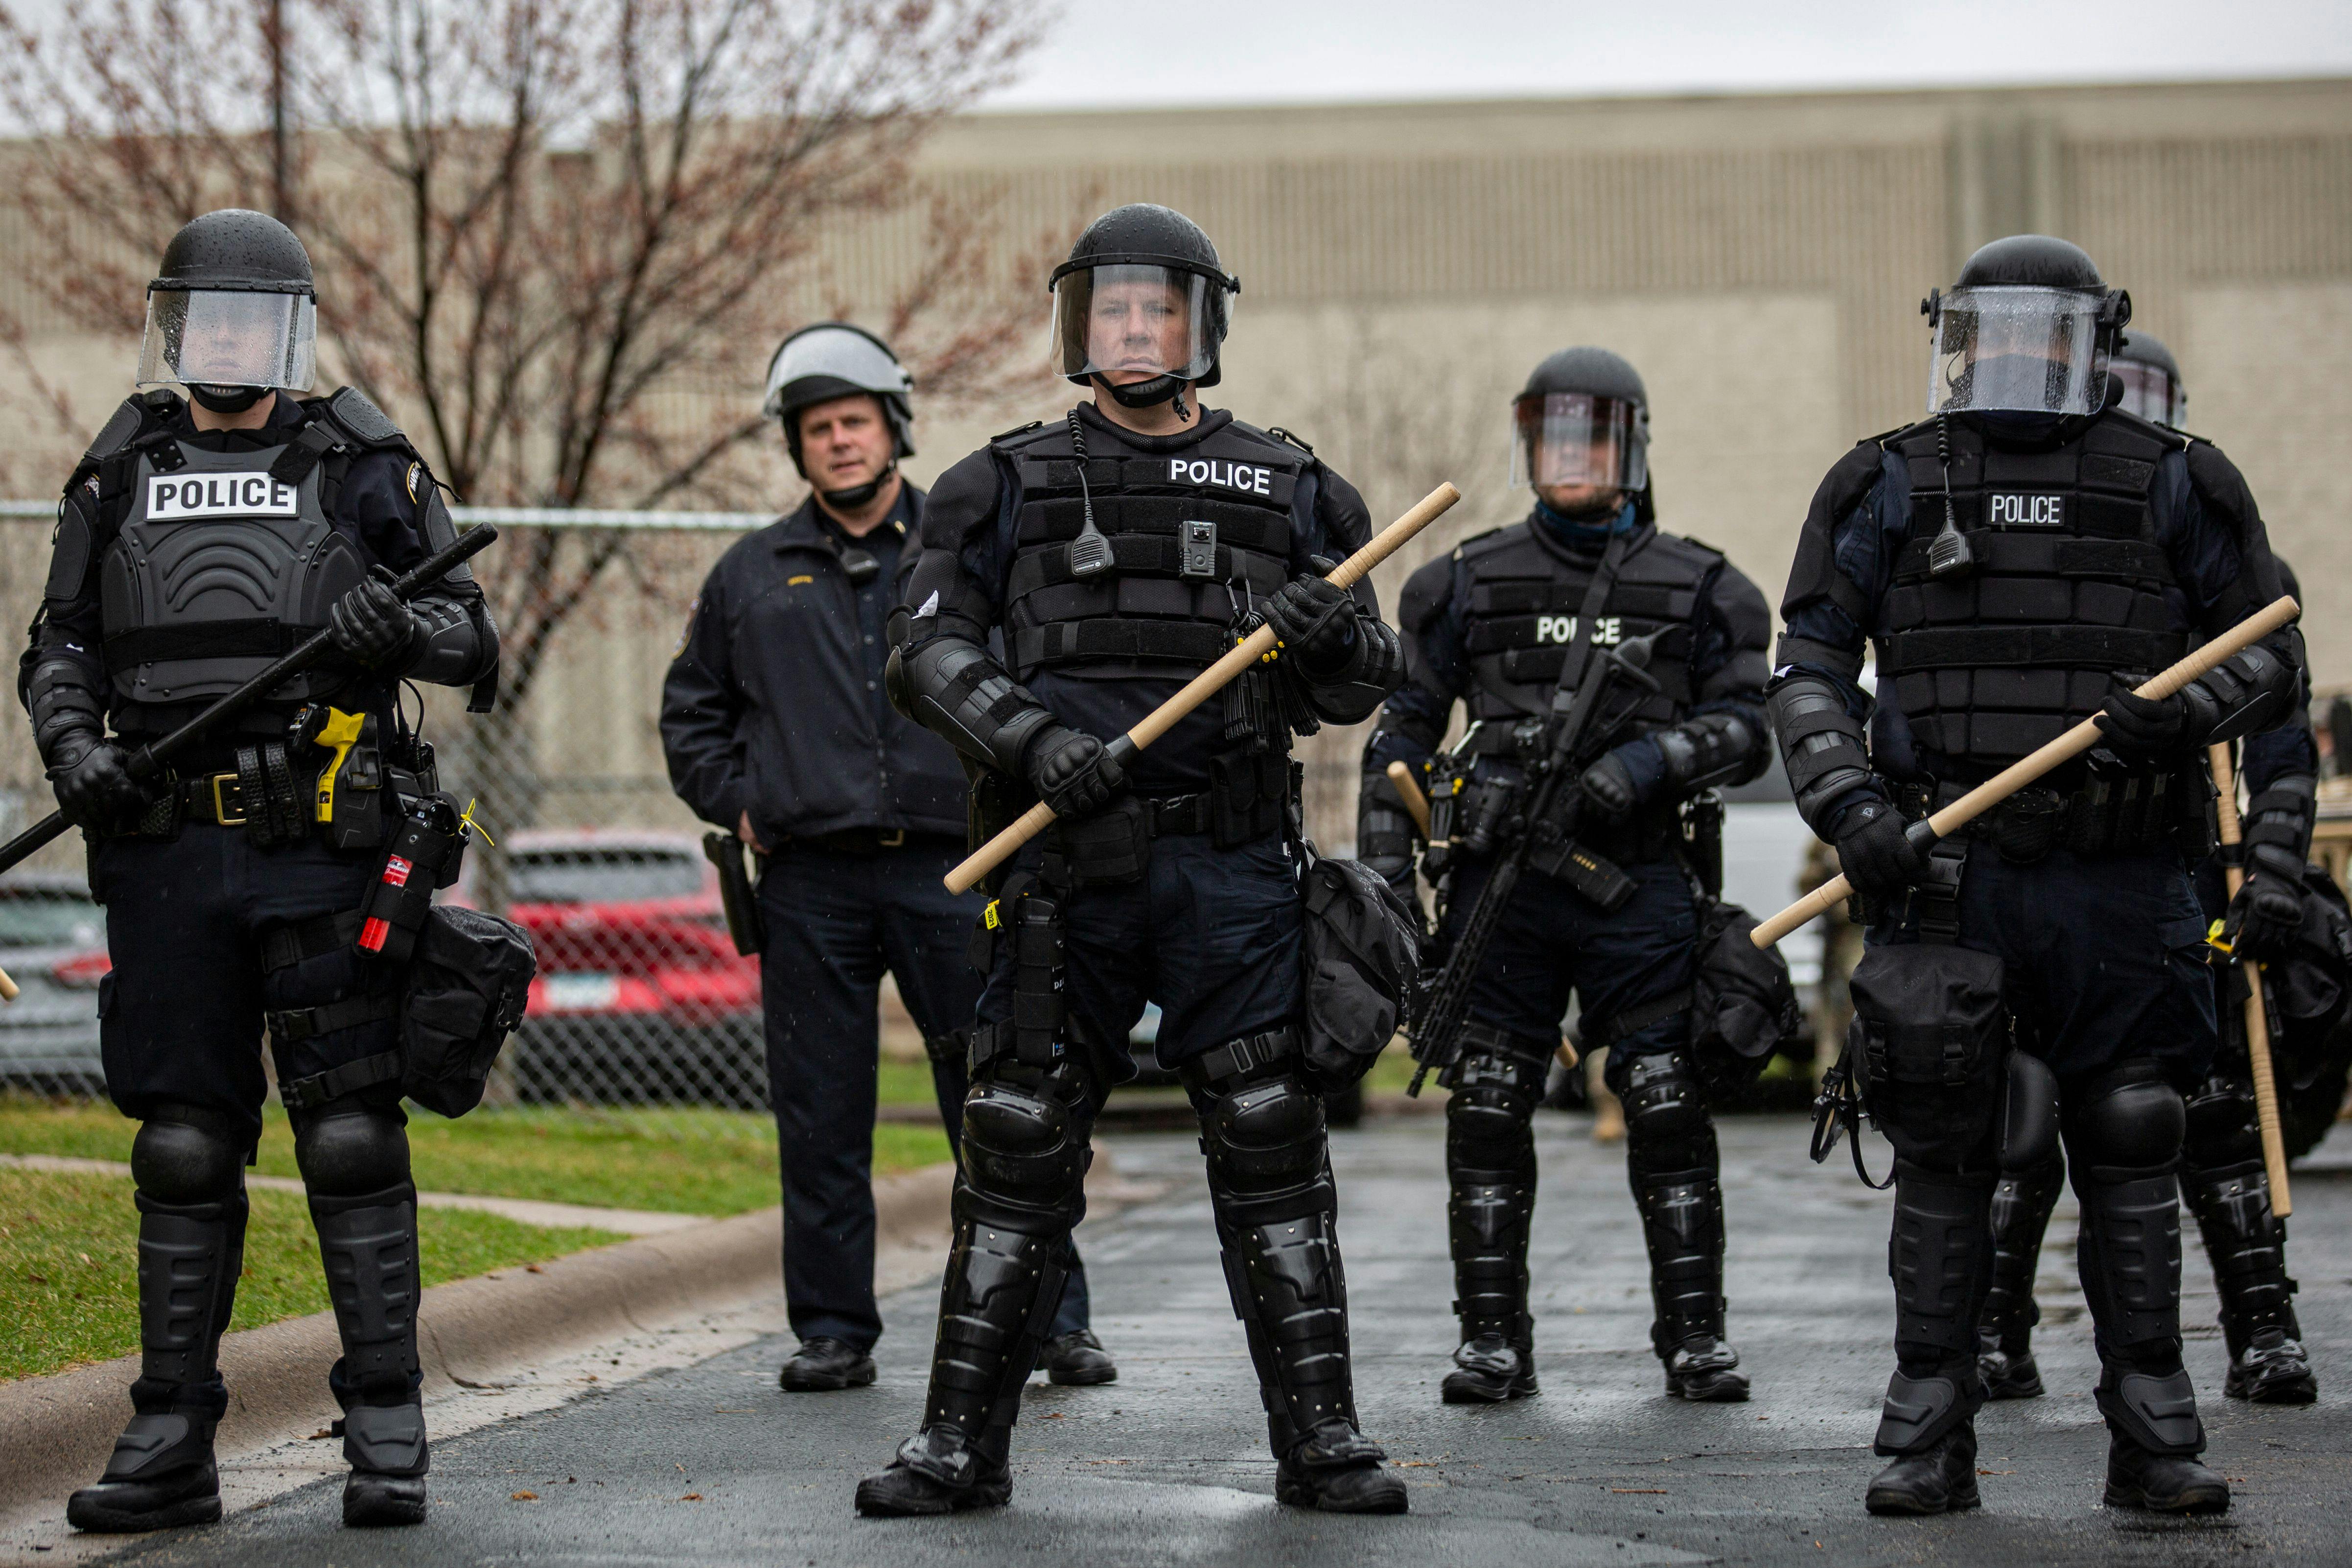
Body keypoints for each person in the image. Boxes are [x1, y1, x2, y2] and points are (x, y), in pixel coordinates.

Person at [855, 203, 1409, 1517]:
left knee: (1268, 1131)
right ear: (1076, 323)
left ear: (1200, 325)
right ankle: (956, 1445)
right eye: (1110, 310)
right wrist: (1031, 737)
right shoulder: (998, 483)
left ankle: (1319, 1438)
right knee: (1018, 1130)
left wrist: (1323, 634)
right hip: (1064, 867)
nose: (1133, 330)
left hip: (1229, 868)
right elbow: (920, 652)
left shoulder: (1292, 486)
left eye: (1156, 310)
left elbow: (1366, 681)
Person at [1770, 236, 2302, 1518]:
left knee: (2130, 1133)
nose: (2011, 350)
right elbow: (1806, 670)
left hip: (2123, 881)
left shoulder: (2177, 483)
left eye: (2040, 329)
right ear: (1951, 336)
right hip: (1947, 882)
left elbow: (2271, 653)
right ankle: (1921, 1439)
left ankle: (2153, 1438)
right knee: (1952, 1150)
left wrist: (2183, 715)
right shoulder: (1883, 480)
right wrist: (1848, 808)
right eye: (1984, 328)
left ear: (2094, 341)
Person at [22, 210, 501, 1532]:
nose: (227, 340)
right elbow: (57, 645)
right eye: (206, 318)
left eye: (251, 319)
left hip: (320, 848)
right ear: (178, 327)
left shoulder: (359, 457)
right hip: (165, 851)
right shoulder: (119, 462)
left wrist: (394, 618)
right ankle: (171, 1435)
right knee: (180, 1146)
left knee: (348, 1131)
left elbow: (474, 642)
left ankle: (388, 1427)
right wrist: (74, 750)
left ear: (286, 331)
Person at [660, 324, 1113, 1394]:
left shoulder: (957, 556)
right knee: (820, 1113)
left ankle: (1056, 1321)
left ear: (892, 428)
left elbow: (1027, 692)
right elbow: (693, 720)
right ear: (798, 447)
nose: (839, 443)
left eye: (855, 422)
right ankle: (831, 1330)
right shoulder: (749, 578)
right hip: (810, 882)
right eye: (818, 429)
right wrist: (746, 801)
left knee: (1004, 1099)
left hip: (952, 870)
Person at [1360, 347, 1774, 1406]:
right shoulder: (1462, 584)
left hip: (1639, 885)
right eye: (1553, 436)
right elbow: (1397, 743)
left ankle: (1695, 1339)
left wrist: (1648, 764)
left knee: (1665, 1098)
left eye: (1591, 435)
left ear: (1631, 445)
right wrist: (1386, 888)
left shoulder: (1705, 588)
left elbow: (1747, 729)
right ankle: (1492, 1341)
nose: (1571, 455)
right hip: (1505, 888)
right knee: (1489, 1105)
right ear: (1527, 445)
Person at [1974, 334, 2320, 1409]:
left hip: (2188, 870)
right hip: (2062, 877)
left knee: (2208, 1108)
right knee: (2022, 1117)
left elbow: (2284, 747)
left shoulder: (2245, 583)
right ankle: (1997, 1331)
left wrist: (2273, 871)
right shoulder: (2035, 570)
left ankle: (2264, 1327)